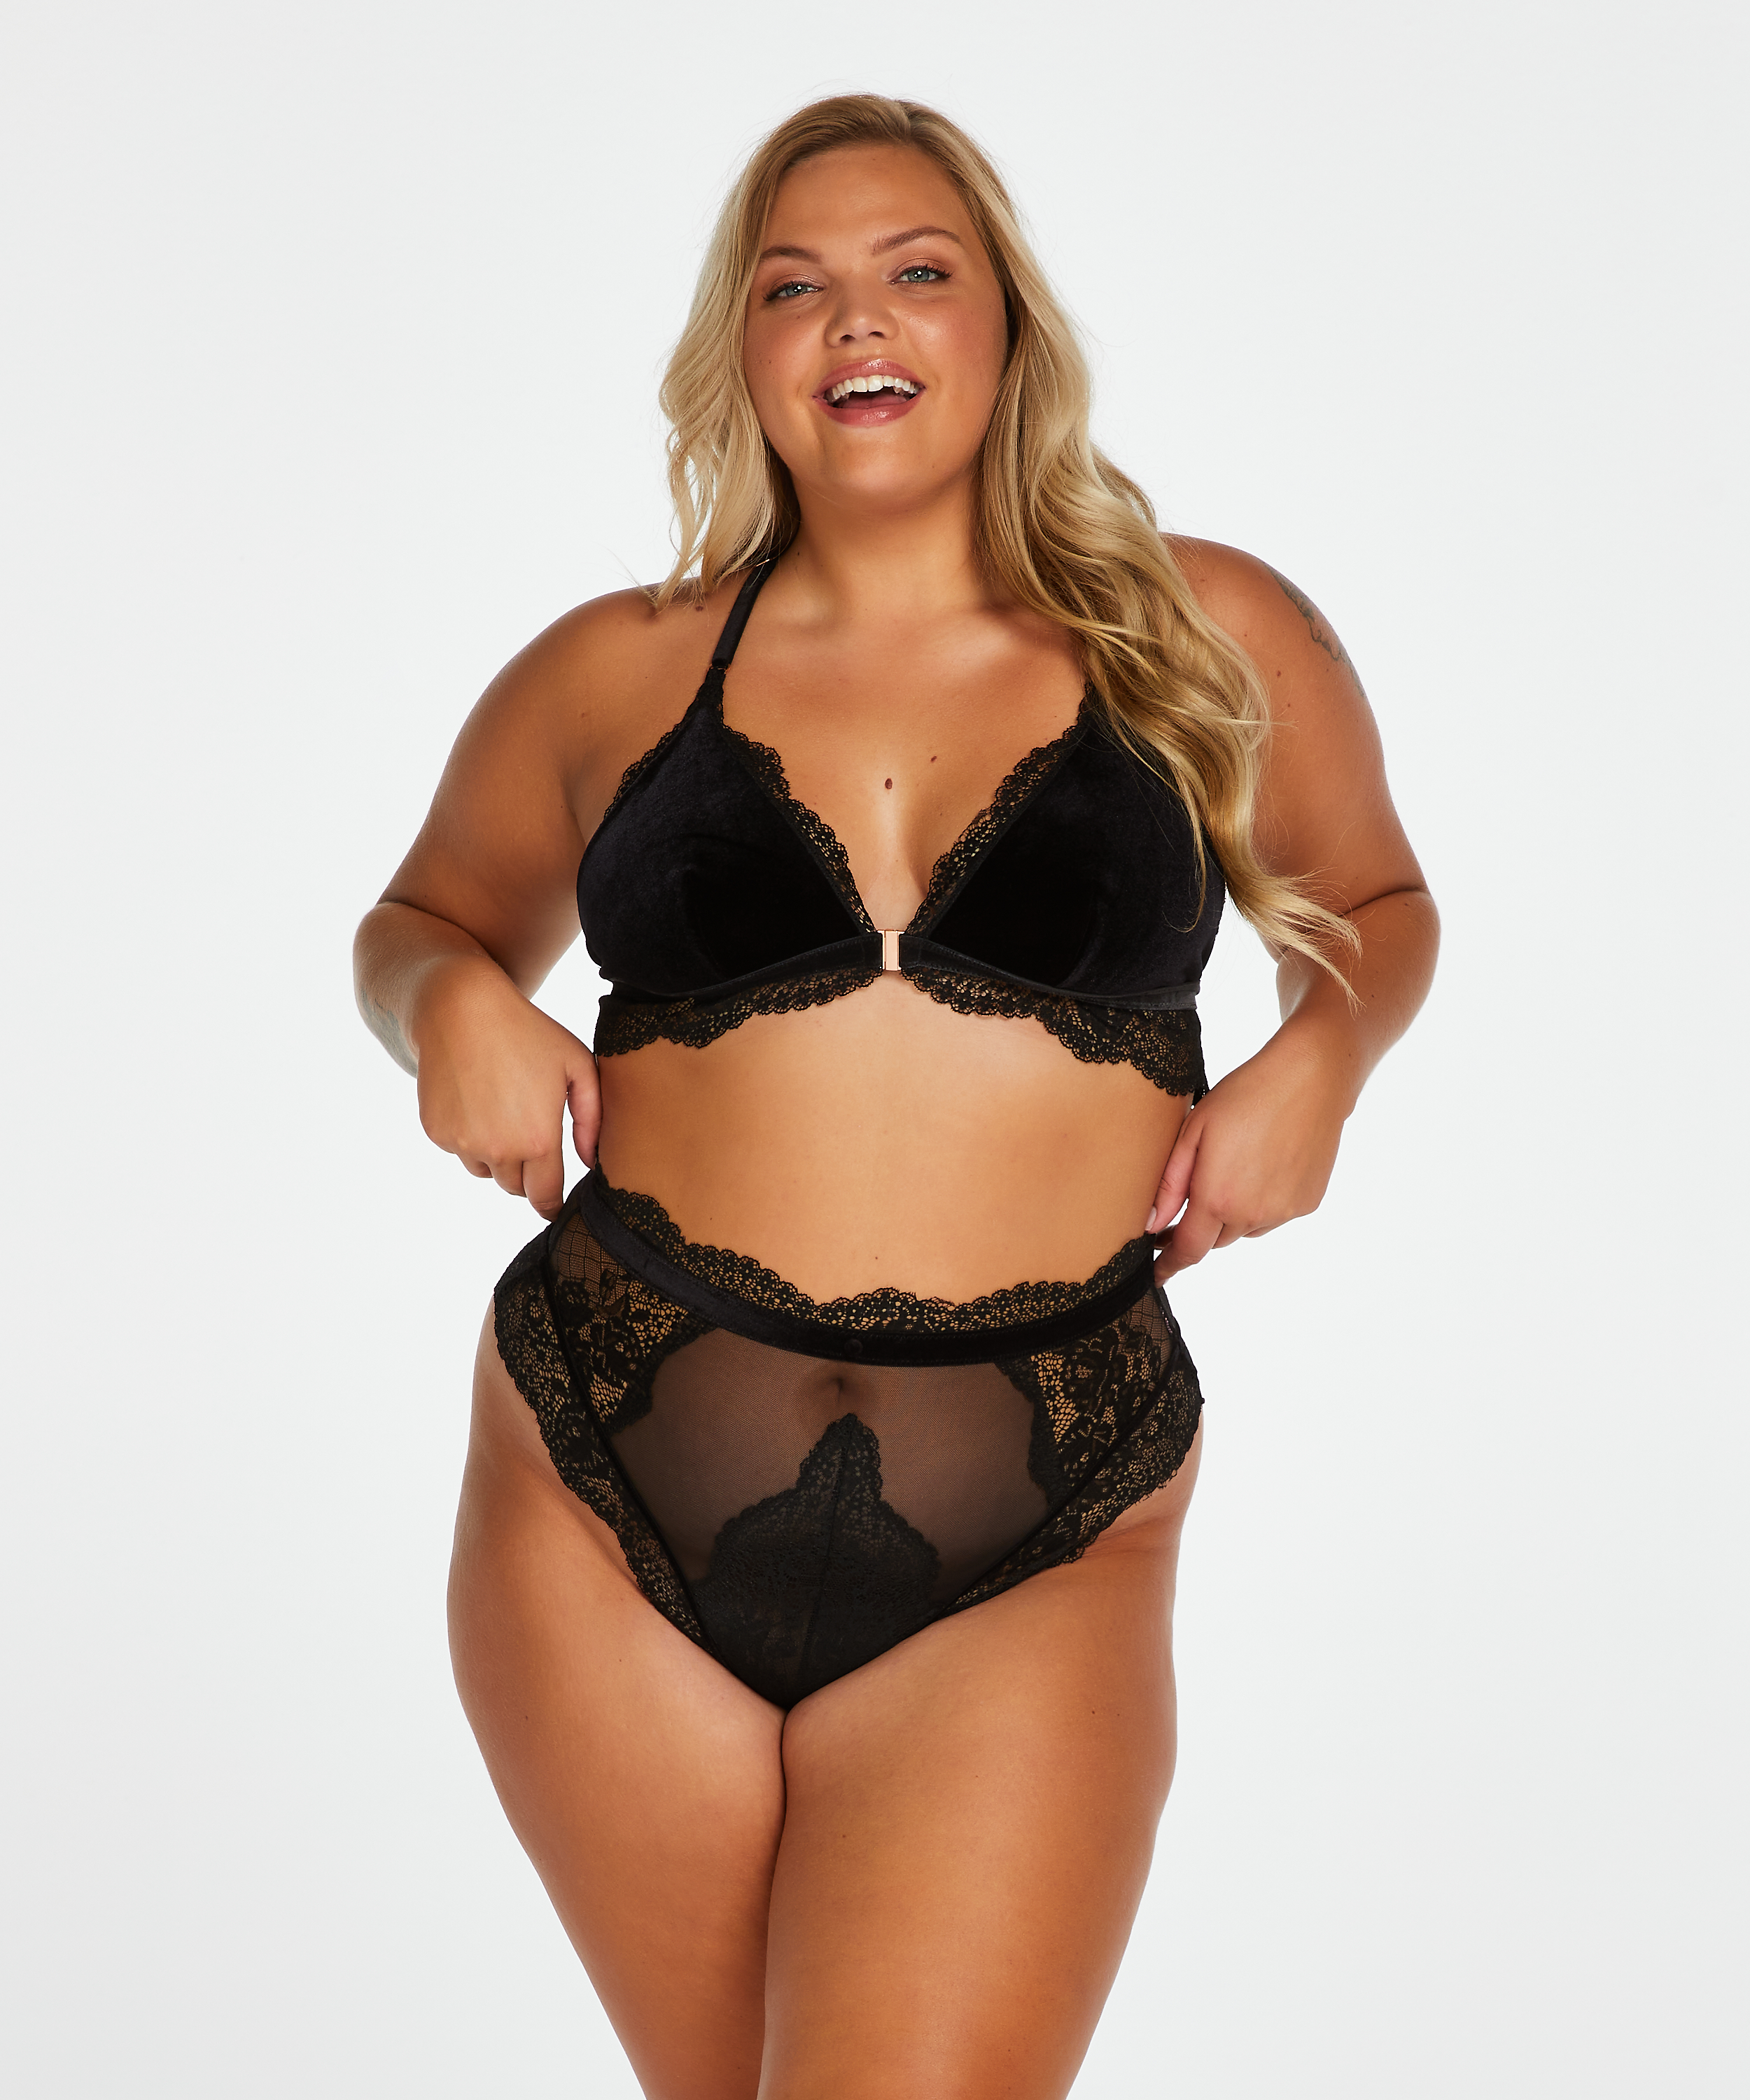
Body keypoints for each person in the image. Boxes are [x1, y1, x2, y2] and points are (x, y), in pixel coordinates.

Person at [353, 92, 1437, 2100]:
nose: (856, 316)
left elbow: (1375, 903)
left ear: (1005, 322)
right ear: (746, 351)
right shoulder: (615, 669)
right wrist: (445, 1006)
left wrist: (1325, 1058)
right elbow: (420, 921)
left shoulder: (1200, 629)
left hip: (1040, 1500)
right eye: (795, 286)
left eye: (915, 270)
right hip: (605, 1465)